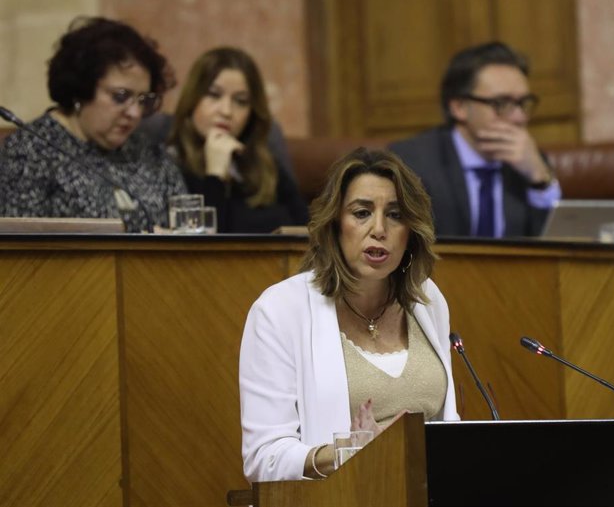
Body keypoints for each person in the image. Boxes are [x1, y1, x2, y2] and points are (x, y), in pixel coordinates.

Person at [239, 147, 460, 482]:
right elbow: (263, 458)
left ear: (411, 231)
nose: (379, 229)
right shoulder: (280, 310)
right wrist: (353, 451)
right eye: (361, 213)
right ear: (334, 224)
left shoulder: (427, 299)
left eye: (396, 215)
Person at [0, 16, 187, 232]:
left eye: (143, 100)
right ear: (82, 89)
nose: (135, 112)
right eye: (120, 96)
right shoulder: (30, 150)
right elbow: (18, 252)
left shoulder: (149, 152)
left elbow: (185, 225)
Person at [389, 41, 561, 238]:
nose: (519, 117)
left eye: (523, 103)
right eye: (501, 103)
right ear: (459, 107)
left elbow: (552, 249)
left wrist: (539, 179)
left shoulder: (530, 163)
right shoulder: (411, 163)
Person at [168, 47, 308, 233]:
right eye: (214, 95)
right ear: (192, 99)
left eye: (240, 101)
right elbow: (202, 249)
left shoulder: (264, 163)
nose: (226, 111)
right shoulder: (169, 165)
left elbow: (310, 231)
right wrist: (215, 175)